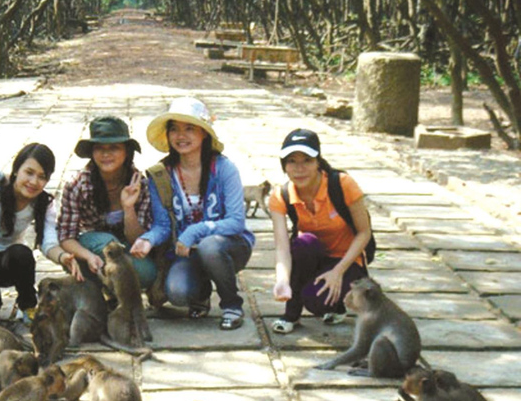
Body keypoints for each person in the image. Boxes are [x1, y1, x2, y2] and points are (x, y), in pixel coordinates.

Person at [132, 97, 254, 330]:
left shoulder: (224, 169)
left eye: (189, 128)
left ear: (204, 133)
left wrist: (196, 231)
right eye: (175, 129)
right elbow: (162, 226)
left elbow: (237, 222)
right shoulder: (161, 175)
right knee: (177, 293)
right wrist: (147, 240)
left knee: (210, 246)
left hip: (229, 246)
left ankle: (232, 304)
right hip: (186, 254)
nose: (181, 136)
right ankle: (201, 293)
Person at [268, 128, 372, 334]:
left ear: (318, 162)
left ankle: (337, 304)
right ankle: (291, 314)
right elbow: (282, 249)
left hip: (346, 258)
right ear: (284, 166)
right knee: (302, 243)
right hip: (313, 255)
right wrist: (281, 280)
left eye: (306, 160)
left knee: (317, 303)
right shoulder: (281, 195)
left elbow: (364, 233)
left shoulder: (342, 184)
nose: (299, 168)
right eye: (292, 161)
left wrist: (338, 271)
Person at [0, 143, 81, 320]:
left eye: (42, 177)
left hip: (6, 261)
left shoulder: (43, 203)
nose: (34, 182)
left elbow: (48, 242)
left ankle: (28, 307)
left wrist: (63, 257)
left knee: (22, 253)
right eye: (29, 173)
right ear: (16, 169)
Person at [58, 116, 156, 288]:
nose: (106, 154)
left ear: (126, 151)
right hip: (91, 245)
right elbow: (66, 237)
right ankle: (99, 285)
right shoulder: (76, 185)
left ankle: (113, 288)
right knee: (107, 242)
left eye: (114, 148)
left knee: (148, 274)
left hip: (126, 248)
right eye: (99, 148)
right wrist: (88, 256)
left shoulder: (139, 184)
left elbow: (138, 240)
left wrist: (128, 208)